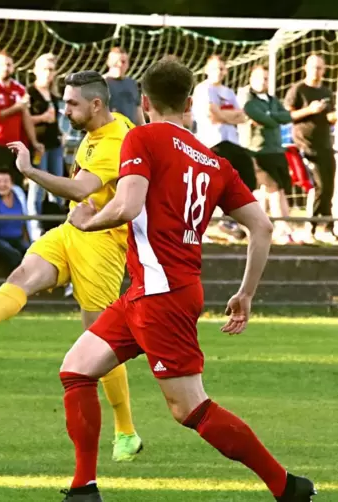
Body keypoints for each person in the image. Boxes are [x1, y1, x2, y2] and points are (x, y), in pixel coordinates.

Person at [62, 57, 315, 502]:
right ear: (190, 103)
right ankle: (84, 488)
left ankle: (285, 485)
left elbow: (126, 206)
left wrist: (86, 222)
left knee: (190, 408)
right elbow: (263, 226)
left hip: (161, 295)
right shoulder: (214, 162)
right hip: (154, 291)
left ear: (143, 102)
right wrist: (246, 292)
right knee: (77, 368)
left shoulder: (141, 136)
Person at [0, 71, 143, 463]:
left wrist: (29, 171)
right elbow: (84, 187)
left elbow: (82, 190)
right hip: (72, 230)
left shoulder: (115, 139)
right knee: (22, 275)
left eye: (71, 104)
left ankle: (126, 430)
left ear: (96, 105)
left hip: (102, 243)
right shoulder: (98, 134)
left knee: (100, 341)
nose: (64, 110)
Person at [192, 55, 256, 241]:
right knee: (210, 184)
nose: (219, 72)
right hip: (212, 142)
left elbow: (242, 116)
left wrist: (225, 116)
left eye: (221, 68)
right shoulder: (203, 89)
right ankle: (197, 225)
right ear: (207, 70)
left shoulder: (228, 92)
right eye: (215, 68)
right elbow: (213, 115)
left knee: (246, 176)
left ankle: (229, 220)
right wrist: (229, 116)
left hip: (232, 142)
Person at [239, 65, 298, 243]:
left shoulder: (272, 99)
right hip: (258, 151)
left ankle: (262, 227)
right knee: (273, 190)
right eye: (259, 78)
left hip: (277, 150)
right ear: (251, 79)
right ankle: (283, 229)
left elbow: (286, 117)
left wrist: (271, 116)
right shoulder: (248, 99)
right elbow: (260, 117)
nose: (263, 82)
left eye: (266, 78)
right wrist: (272, 118)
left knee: (272, 191)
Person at [284, 54, 337, 241]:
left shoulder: (326, 91)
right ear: (306, 68)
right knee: (318, 186)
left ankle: (327, 227)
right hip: (304, 144)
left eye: (321, 67)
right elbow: (287, 115)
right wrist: (310, 110)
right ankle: (313, 226)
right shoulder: (298, 90)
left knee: (329, 187)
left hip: (325, 144)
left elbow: (330, 118)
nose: (317, 71)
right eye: (314, 67)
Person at [0, 52, 43, 186]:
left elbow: (26, 116)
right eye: (2, 64)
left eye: (8, 64)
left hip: (17, 144)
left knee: (16, 184)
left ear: (13, 67)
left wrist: (34, 142)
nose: (5, 68)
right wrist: (16, 107)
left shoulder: (19, 89)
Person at [27, 53, 65, 238]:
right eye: (45, 69)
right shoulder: (30, 93)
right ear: (36, 70)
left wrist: (60, 132)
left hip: (54, 144)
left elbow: (55, 119)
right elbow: (24, 120)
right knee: (37, 186)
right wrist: (42, 118)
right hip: (38, 145)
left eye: (51, 70)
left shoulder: (54, 95)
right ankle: (35, 228)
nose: (48, 74)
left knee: (57, 184)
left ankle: (55, 225)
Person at [104, 47, 144, 126]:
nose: (119, 65)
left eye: (123, 62)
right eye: (115, 62)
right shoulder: (101, 83)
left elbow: (138, 110)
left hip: (130, 132)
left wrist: (143, 130)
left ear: (128, 64)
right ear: (108, 63)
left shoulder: (132, 84)